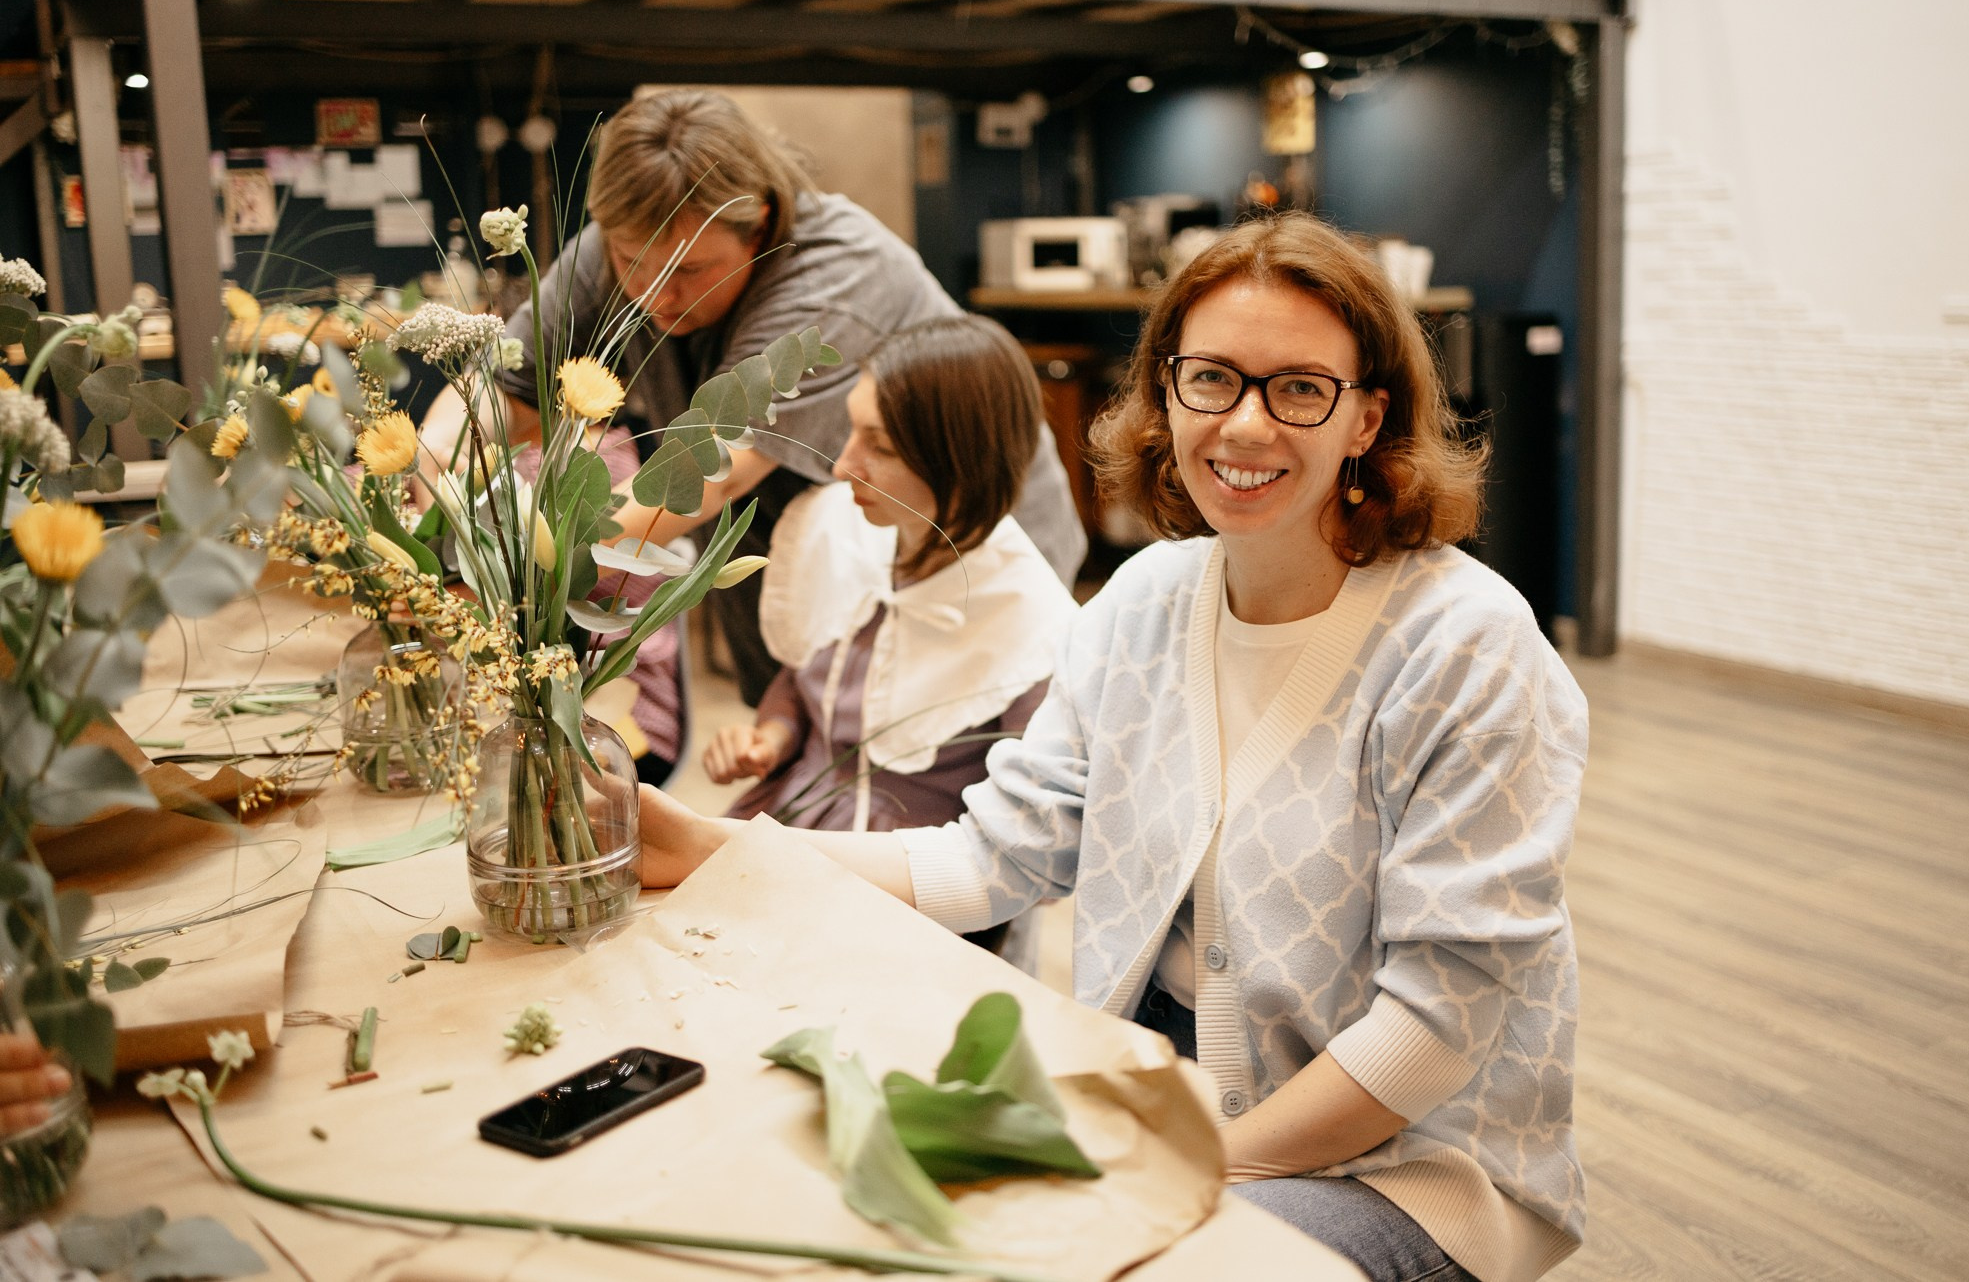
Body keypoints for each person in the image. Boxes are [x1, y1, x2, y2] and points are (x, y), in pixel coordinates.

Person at [640, 213, 1587, 1282]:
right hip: (1156, 1100)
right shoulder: (1139, 603)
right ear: (1165, 392)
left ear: (1366, 417)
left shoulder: (1465, 648)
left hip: (1398, 1165)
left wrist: (1201, 1164)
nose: (1244, 424)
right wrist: (710, 844)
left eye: (1298, 389)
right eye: (1211, 379)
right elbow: (988, 859)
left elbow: (1430, 1031)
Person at [417, 90, 1086, 782]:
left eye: (692, 272)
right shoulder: (626, 243)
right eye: (629, 262)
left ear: (759, 223)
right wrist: (431, 493)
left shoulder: (834, 270)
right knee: (800, 752)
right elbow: (502, 395)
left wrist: (512, 578)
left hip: (963, 553)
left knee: (935, 777)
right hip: (810, 553)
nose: (654, 294)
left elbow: (706, 476)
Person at [704, 315, 1077, 834]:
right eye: (851, 431)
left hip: (910, 874)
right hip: (793, 819)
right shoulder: (847, 530)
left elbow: (1036, 835)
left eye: (878, 446)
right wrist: (770, 738)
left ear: (958, 459)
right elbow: (807, 675)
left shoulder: (1034, 630)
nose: (842, 466)